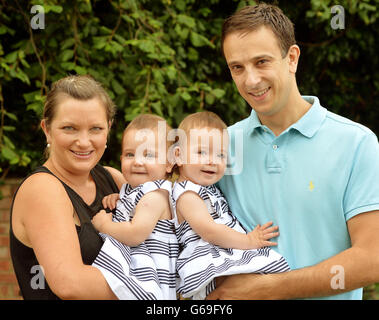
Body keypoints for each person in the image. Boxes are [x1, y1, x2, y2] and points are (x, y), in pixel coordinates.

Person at [207, 3, 379, 300]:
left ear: (292, 58)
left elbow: (371, 259)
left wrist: (266, 289)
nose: (250, 81)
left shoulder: (357, 143)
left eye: (261, 62)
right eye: (237, 67)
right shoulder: (219, 147)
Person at [9, 75, 125, 299]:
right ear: (47, 129)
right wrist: (154, 283)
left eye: (95, 129)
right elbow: (70, 284)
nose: (83, 141)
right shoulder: (42, 189)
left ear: (109, 128)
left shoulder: (114, 178)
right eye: (69, 128)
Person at [172, 111, 290, 300]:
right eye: (201, 152)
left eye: (220, 154)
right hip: (209, 263)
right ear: (178, 156)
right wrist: (249, 241)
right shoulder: (187, 194)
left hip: (226, 256)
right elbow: (209, 231)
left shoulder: (208, 188)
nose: (212, 160)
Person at [90, 114, 179, 300]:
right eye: (130, 154)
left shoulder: (156, 195)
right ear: (121, 157)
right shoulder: (134, 191)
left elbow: (136, 233)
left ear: (169, 163)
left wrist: (104, 226)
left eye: (149, 154)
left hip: (153, 282)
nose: (138, 161)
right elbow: (136, 208)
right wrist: (120, 200)